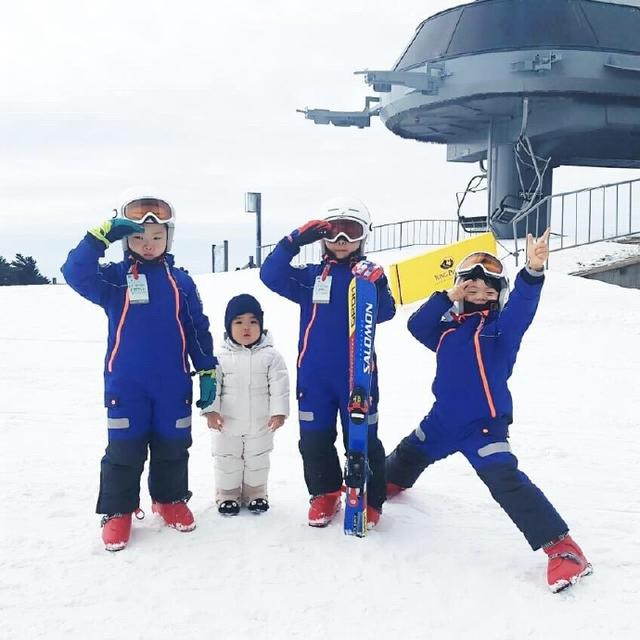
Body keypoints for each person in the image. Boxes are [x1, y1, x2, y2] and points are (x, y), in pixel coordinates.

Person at [385, 229, 592, 592]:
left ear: (499, 296)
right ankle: (380, 486)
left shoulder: (501, 331)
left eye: (488, 291)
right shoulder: (446, 331)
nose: (480, 297)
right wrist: (447, 296)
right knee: (407, 454)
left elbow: (523, 307)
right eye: (471, 289)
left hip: (483, 427)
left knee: (505, 482)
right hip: (441, 421)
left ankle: (563, 549)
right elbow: (416, 325)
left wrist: (533, 269)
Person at [61, 196, 218, 551]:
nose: (148, 245)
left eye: (157, 237)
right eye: (138, 238)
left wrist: (208, 368)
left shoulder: (181, 282)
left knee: (173, 446)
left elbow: (196, 327)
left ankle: (170, 499)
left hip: (173, 383)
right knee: (124, 450)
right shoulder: (114, 280)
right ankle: (118, 511)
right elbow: (74, 273)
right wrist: (96, 239)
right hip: (126, 384)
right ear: (126, 242)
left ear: (168, 238)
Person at [259, 197, 396, 529]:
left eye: (351, 233)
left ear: (364, 237)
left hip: (357, 376)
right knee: (314, 439)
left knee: (362, 440)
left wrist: (376, 283)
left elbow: (387, 311)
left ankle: (369, 497)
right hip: (314, 377)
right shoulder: (309, 277)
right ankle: (325, 492)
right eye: (334, 233)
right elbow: (270, 275)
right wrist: (294, 241)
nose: (342, 241)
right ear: (322, 238)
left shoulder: (367, 276)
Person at [203, 294, 289, 516]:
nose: (246, 327)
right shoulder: (219, 357)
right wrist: (210, 410)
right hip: (227, 424)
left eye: (253, 322)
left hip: (260, 423)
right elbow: (211, 384)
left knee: (258, 459)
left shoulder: (271, 356)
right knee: (226, 460)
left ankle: (256, 494)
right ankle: (228, 495)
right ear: (228, 326)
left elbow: (279, 385)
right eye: (239, 322)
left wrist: (279, 412)